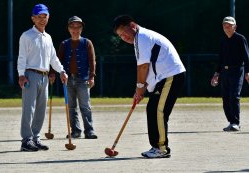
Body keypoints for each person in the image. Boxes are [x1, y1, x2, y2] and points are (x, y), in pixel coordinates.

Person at [113, 15, 186, 158]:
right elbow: (149, 68)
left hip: (171, 75)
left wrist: (139, 88)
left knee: (158, 110)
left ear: (132, 25)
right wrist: (141, 90)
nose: (124, 37)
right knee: (152, 108)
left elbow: (143, 67)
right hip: (164, 78)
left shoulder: (142, 38)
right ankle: (156, 147)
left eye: (124, 32)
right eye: (120, 36)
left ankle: (161, 148)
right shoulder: (139, 40)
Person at [17, 4, 68, 152]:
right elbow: (22, 57)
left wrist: (61, 71)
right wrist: (21, 75)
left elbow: (53, 58)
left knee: (41, 109)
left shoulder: (48, 37)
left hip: (45, 77)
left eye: (44, 16)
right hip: (30, 75)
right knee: (29, 109)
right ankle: (26, 140)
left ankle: (35, 137)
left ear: (48, 18)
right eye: (38, 17)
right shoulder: (26, 36)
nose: (42, 19)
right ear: (33, 18)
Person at [49, 16, 97, 139]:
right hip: (68, 79)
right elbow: (57, 61)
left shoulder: (87, 43)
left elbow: (92, 61)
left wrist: (92, 77)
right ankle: (75, 131)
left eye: (78, 27)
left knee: (85, 106)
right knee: (71, 107)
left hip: (83, 79)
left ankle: (89, 131)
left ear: (81, 29)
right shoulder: (64, 44)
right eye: (73, 27)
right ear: (69, 29)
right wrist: (53, 73)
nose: (75, 29)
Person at [211, 16, 249, 132]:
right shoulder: (223, 41)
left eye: (229, 25)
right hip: (225, 72)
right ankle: (231, 121)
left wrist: (247, 72)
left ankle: (236, 123)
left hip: (237, 71)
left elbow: (247, 57)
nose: (226, 27)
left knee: (234, 96)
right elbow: (220, 59)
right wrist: (216, 74)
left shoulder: (240, 39)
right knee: (225, 98)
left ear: (235, 27)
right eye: (224, 25)